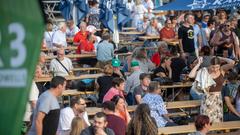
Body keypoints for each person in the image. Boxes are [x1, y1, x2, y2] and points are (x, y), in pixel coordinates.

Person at [189, 57, 235, 123]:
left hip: (218, 100)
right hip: (207, 99)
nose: (215, 69)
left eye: (217, 67)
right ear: (210, 65)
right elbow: (191, 75)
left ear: (220, 65)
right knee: (206, 122)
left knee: (217, 122)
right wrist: (198, 64)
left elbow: (232, 63)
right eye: (213, 67)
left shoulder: (222, 70)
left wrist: (220, 58)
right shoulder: (205, 71)